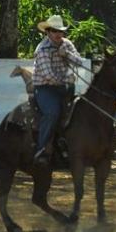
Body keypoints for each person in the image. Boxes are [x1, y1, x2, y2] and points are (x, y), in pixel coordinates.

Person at [32, 14, 82, 165]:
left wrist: (66, 54)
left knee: (76, 112)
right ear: (47, 32)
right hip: (45, 88)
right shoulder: (42, 50)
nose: (58, 34)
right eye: (54, 31)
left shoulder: (66, 44)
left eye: (60, 31)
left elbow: (79, 61)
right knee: (52, 112)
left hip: (64, 87)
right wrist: (66, 79)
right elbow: (49, 76)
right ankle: (41, 148)